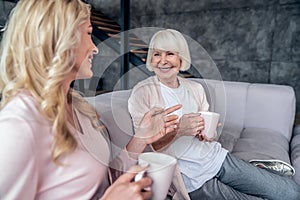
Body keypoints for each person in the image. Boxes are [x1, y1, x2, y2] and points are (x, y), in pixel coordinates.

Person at [0, 1, 181, 199]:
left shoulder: (77, 108)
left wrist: (141, 138)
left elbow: (102, 179)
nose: (95, 48)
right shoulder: (18, 125)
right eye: (88, 33)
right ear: (59, 38)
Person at [128, 29, 300, 200]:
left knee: (292, 193)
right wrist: (179, 130)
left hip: (216, 157)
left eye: (170, 53)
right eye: (157, 54)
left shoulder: (195, 88)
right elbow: (146, 148)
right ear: (151, 58)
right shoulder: (143, 93)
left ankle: (261, 170)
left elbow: (208, 134)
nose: (163, 61)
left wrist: (207, 133)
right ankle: (262, 170)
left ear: (181, 58)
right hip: (192, 177)